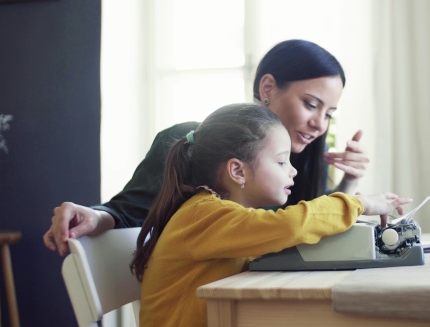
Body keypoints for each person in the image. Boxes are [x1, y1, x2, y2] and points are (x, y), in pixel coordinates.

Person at [44, 39, 373, 256]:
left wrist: (349, 184)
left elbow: (313, 232)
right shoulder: (190, 144)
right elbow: (131, 213)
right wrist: (97, 217)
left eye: (329, 113)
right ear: (268, 87)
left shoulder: (300, 166)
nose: (320, 123)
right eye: (311, 104)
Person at [131, 103, 411, 326]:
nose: (293, 171)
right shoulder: (203, 213)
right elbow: (289, 225)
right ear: (237, 171)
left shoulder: (218, 213)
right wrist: (355, 204)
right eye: (281, 161)